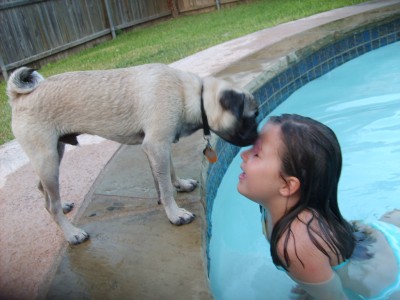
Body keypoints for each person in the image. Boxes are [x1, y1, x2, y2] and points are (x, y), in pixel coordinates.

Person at [237, 114, 400, 299]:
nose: (243, 154)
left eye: (257, 154)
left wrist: (317, 290)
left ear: (288, 186)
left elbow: (336, 298)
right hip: (373, 242)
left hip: (389, 283)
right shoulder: (274, 208)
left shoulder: (296, 245)